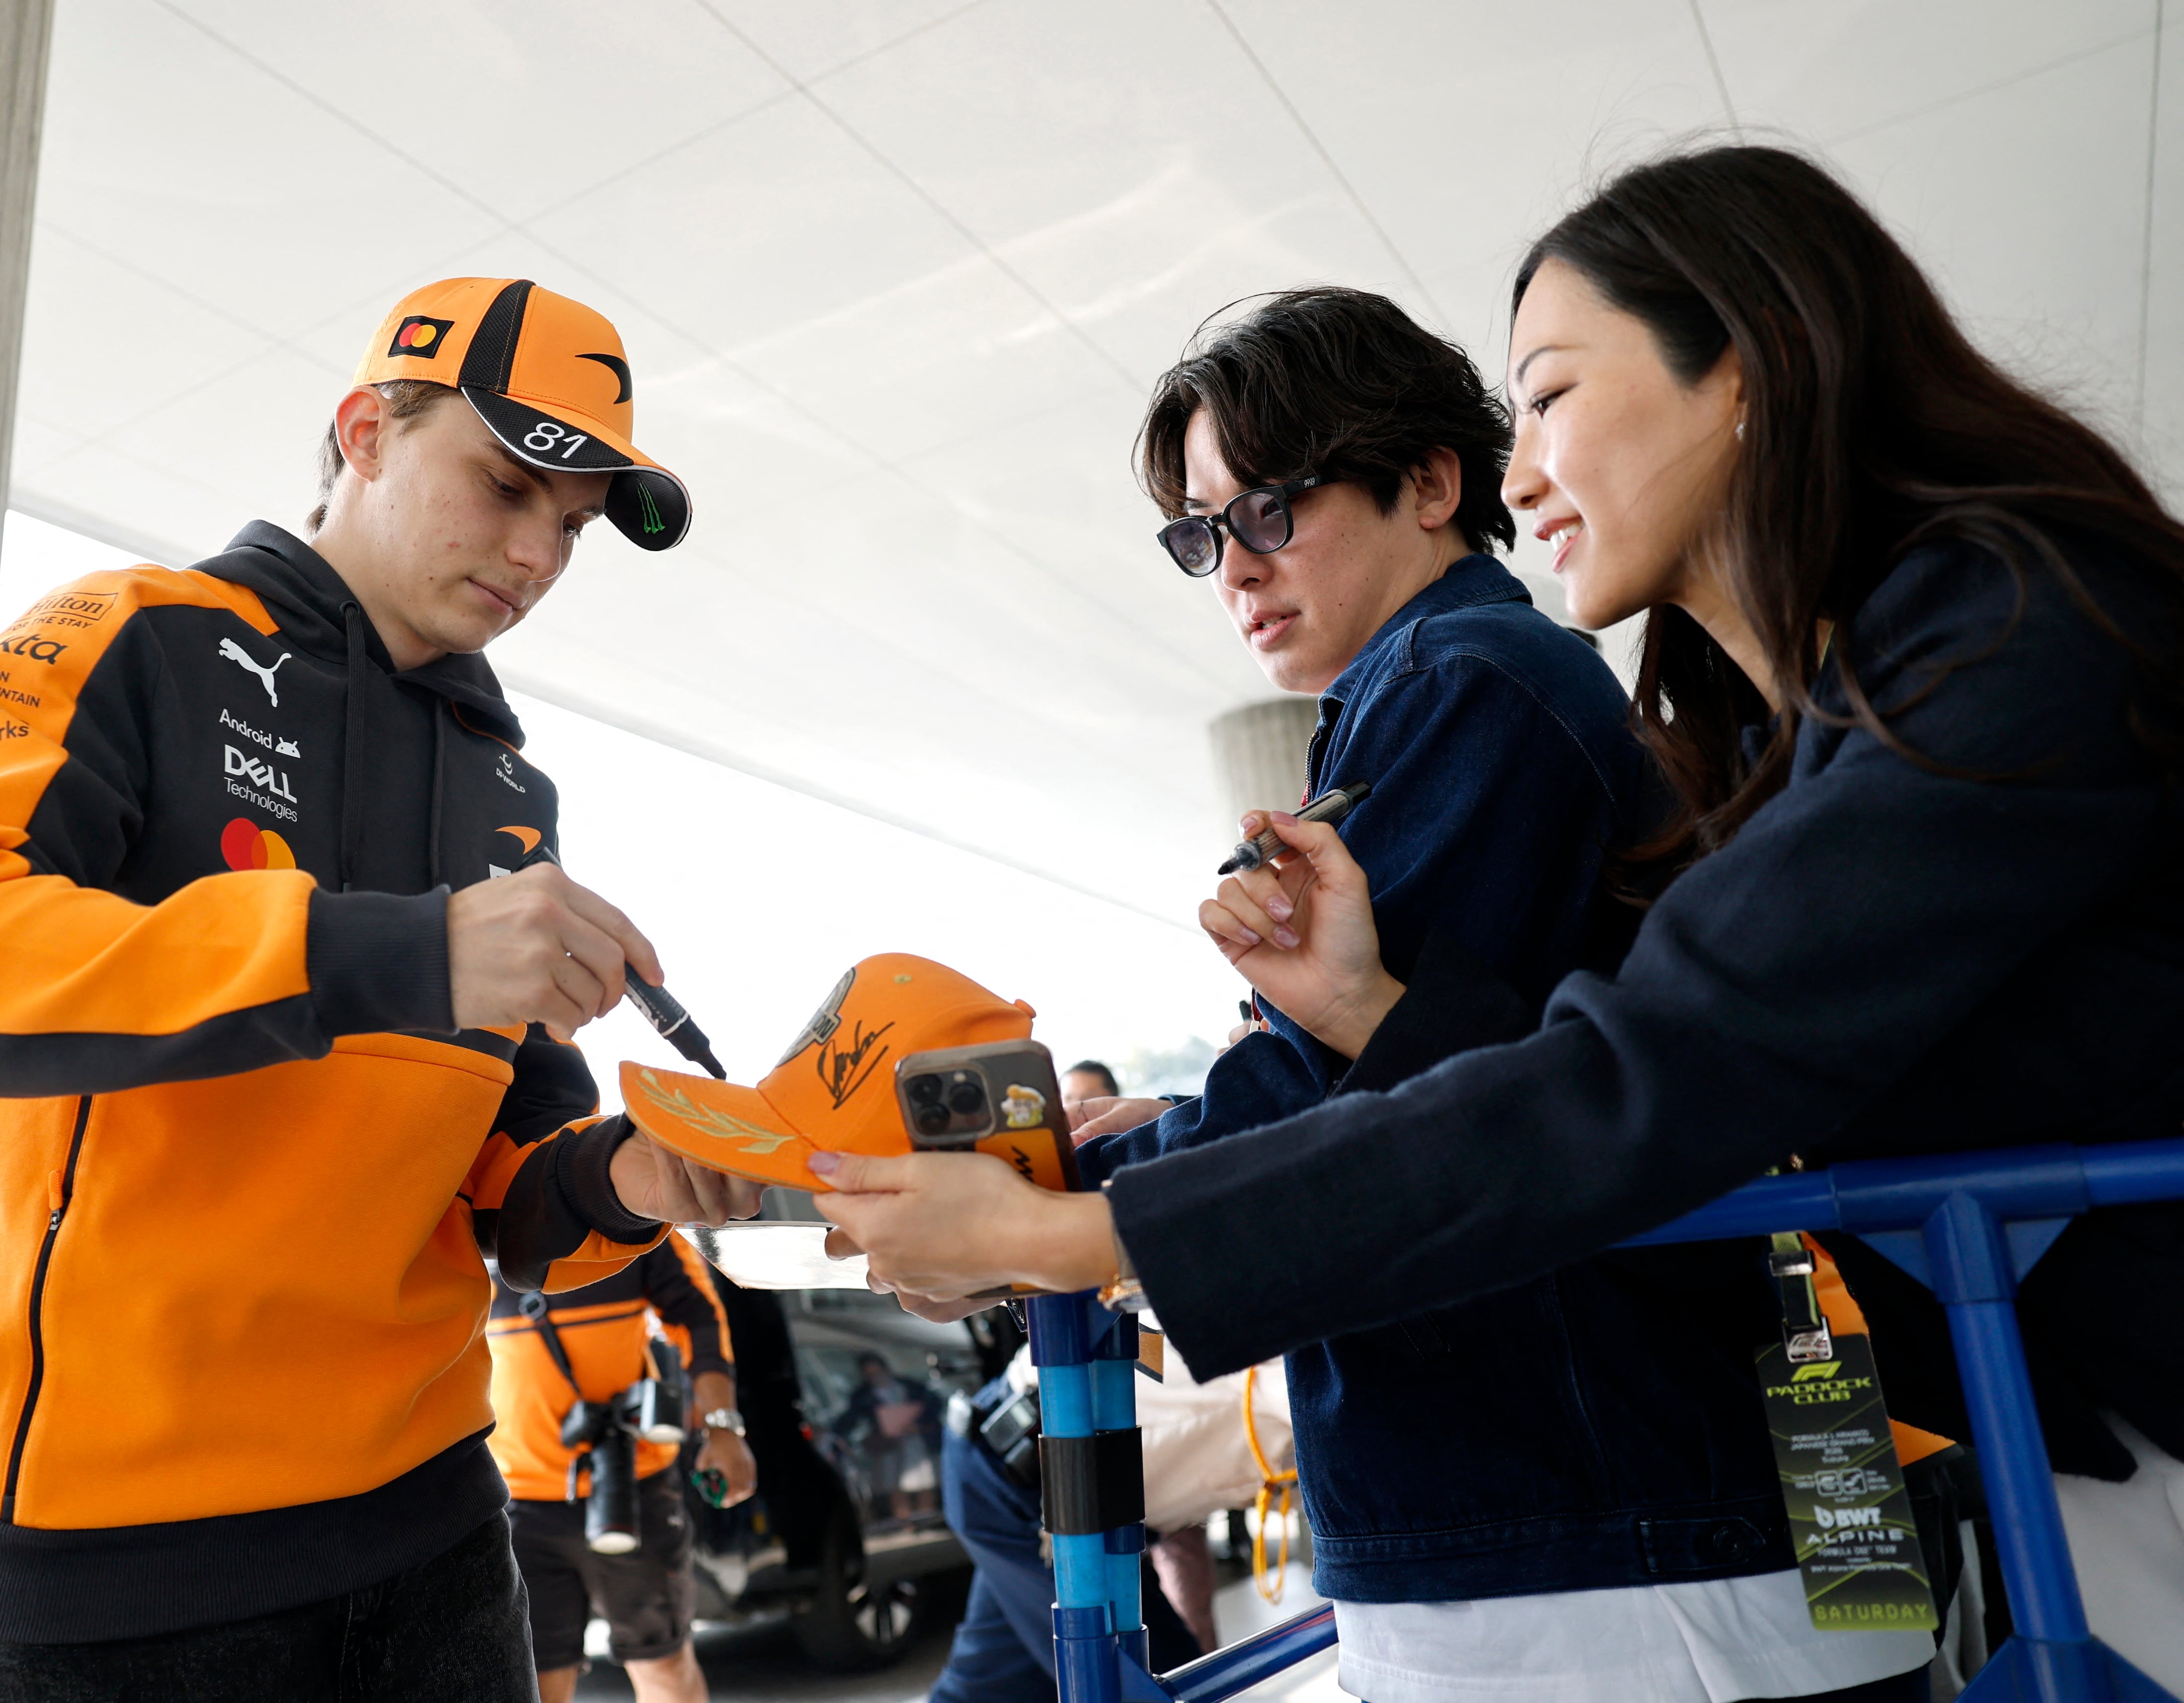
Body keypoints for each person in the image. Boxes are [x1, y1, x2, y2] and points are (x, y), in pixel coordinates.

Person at [813, 146, 2184, 1699]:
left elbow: (1659, 1068)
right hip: (2033, 1419)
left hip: (1632, 1514)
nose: (1525, 468)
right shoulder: (1755, 724)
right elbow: (1665, 1074)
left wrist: (1083, 1214)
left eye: (1546, 395)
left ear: (1744, 362)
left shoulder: (1991, 624)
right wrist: (1362, 1012)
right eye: (1201, 535)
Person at [926, 282, 1939, 1703]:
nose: (1234, 568)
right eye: (1201, 534)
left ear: (1429, 481)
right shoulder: (1451, 688)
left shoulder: (1475, 678)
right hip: (1609, 1496)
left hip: (1594, 1528)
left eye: (1267, 511)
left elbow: (1355, 1099)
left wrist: (1047, 1215)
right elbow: (1425, 1056)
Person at [0, 276, 764, 1701]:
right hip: (115, 1575)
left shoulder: (515, 792)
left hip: (443, 1542)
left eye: (572, 528)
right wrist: (402, 951)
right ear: (365, 432)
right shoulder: (129, 634)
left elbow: (514, 1197)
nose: (535, 554)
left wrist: (643, 1180)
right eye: (509, 485)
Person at [489, 1235, 755, 1703]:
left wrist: (723, 1428)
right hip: (516, 1501)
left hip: (635, 1486)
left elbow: (699, 1316)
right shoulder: (465, 1225)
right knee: (534, 1682)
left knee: (663, 1665)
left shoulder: (633, 1216)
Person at [839, 1352, 946, 1519]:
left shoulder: (909, 1386)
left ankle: (927, 1517)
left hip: (915, 1440)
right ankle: (905, 1520)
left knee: (925, 1479)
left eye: (877, 1372)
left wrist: (919, 1424)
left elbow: (933, 1404)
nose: (875, 1377)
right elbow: (851, 1419)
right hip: (889, 1444)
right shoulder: (863, 1395)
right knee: (894, 1483)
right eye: (870, 1374)